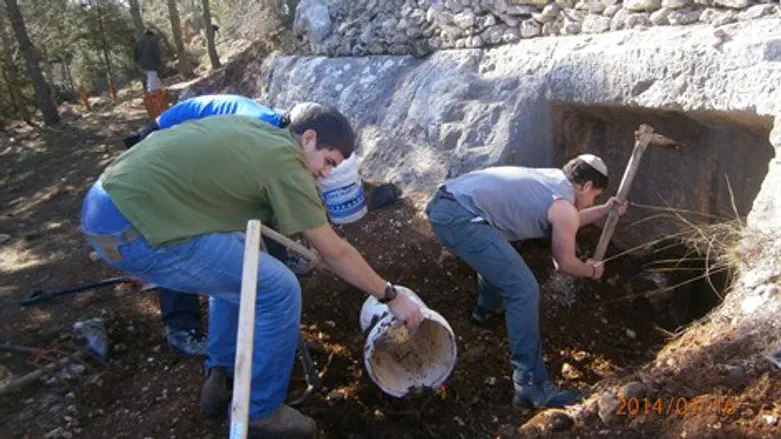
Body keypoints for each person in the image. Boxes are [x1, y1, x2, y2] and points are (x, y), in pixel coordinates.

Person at [80, 104, 424, 437]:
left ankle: (224, 374)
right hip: (131, 228)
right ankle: (261, 412)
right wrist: (389, 296)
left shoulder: (261, 129)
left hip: (109, 204)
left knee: (243, 267)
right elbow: (334, 252)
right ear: (308, 138)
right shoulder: (286, 164)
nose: (326, 172)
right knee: (280, 289)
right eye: (328, 160)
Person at [425, 154, 628, 409]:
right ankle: (531, 386)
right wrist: (591, 271)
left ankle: (487, 310)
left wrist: (604, 209)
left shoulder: (551, 180)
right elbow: (564, 264)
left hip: (449, 203)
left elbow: (569, 218)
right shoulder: (563, 204)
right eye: (594, 196)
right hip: (460, 219)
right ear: (585, 186)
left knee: (505, 255)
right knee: (523, 290)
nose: (591, 201)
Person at [121, 94, 308, 358]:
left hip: (193, 150)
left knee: (258, 203)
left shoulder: (273, 130)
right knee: (179, 233)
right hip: (161, 146)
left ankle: (280, 260)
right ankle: (181, 328)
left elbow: (263, 200)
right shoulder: (258, 131)